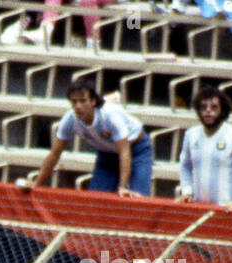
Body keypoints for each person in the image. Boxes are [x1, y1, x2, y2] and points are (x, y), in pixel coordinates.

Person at [25, 78, 153, 197]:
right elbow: (54, 154)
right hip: (107, 154)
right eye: (74, 102)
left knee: (135, 197)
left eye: (83, 101)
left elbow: (125, 152)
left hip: (136, 151)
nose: (78, 106)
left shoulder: (109, 116)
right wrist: (36, 182)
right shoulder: (70, 119)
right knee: (95, 199)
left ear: (93, 101)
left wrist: (123, 186)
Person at [176, 86, 232, 211]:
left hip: (227, 209)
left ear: (223, 110)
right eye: (203, 107)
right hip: (198, 206)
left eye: (214, 107)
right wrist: (187, 190)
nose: (208, 111)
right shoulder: (191, 134)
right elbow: (184, 165)